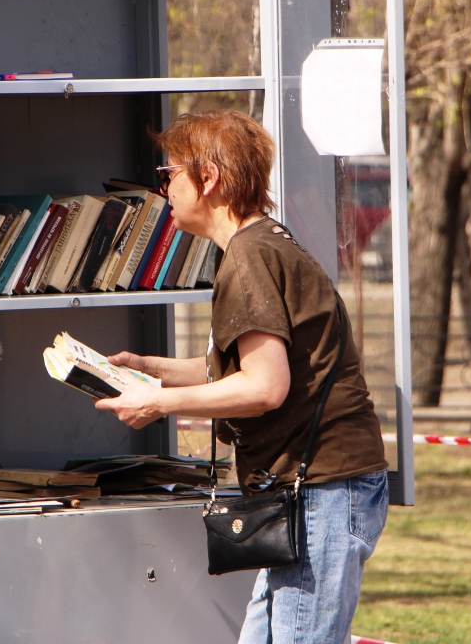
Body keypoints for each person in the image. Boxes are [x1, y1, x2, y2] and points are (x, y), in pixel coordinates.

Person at [95, 110, 389, 644]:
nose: (163, 190)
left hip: (320, 489)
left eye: (169, 176)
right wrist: (148, 371)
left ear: (208, 180)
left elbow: (263, 387)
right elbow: (241, 367)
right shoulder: (263, 244)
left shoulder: (249, 258)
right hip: (310, 489)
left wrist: (159, 406)